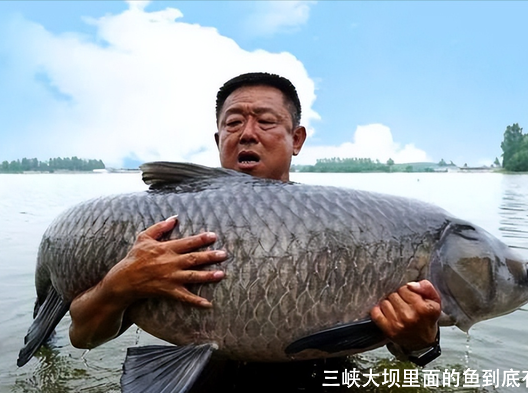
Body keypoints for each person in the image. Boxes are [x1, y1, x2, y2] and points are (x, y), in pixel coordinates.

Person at [68, 72, 442, 391]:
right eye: (233, 123)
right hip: (202, 380)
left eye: (265, 121)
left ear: (296, 139)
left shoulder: (352, 227)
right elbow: (83, 338)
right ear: (218, 140)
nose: (247, 134)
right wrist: (122, 283)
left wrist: (421, 341)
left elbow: (414, 351)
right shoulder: (159, 231)